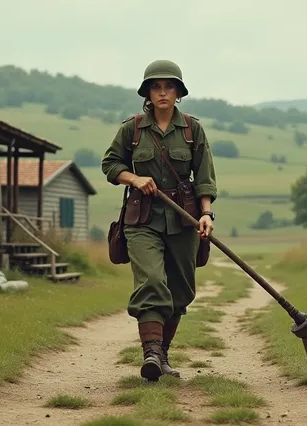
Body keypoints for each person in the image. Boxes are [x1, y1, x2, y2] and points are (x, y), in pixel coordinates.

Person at [101, 59, 218, 381]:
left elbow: (205, 178)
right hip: (142, 218)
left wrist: (206, 214)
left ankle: (163, 355)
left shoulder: (193, 129)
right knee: (152, 281)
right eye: (156, 86)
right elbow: (110, 165)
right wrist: (134, 179)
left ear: (179, 92)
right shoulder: (133, 129)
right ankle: (151, 354)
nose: (163, 92)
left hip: (184, 218)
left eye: (169, 86)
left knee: (180, 290)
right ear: (147, 92)